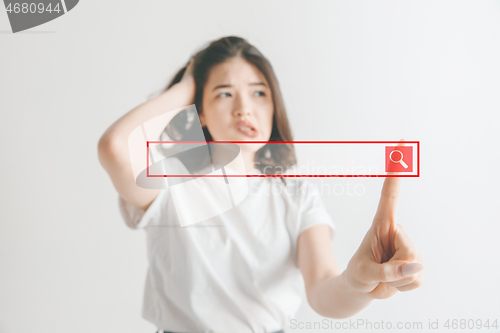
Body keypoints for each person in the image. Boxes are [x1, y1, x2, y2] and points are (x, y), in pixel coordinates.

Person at [97, 36, 425, 333]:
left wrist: (357, 281)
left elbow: (324, 291)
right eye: (224, 93)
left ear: (273, 105)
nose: (244, 109)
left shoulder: (294, 194)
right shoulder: (171, 180)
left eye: (259, 93)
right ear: (201, 112)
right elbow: (114, 148)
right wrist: (188, 83)